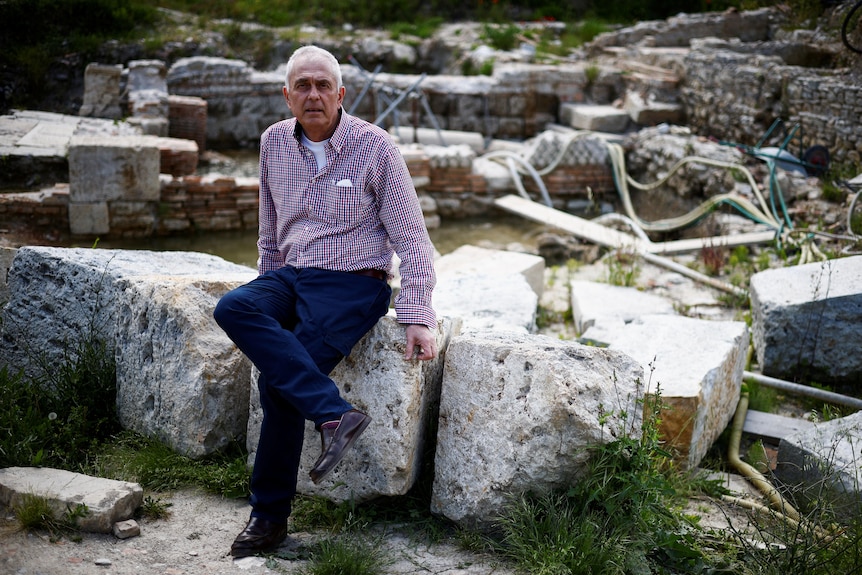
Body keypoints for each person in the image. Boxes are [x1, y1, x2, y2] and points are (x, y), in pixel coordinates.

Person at [213, 45, 438, 558]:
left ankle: (267, 519)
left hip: (352, 282)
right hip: (290, 276)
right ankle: (335, 413)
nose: (312, 95)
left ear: (341, 94)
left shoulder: (376, 147)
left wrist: (417, 314)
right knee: (232, 307)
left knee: (279, 386)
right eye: (302, 86)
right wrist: (272, 298)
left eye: (322, 86)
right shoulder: (273, 142)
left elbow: (412, 239)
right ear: (286, 94)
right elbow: (270, 233)